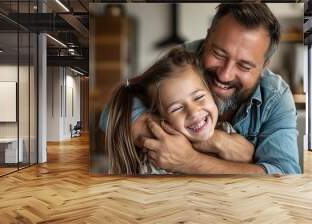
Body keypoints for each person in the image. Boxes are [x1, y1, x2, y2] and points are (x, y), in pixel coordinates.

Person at [101, 3, 301, 175]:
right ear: (207, 38)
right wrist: (217, 140)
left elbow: (285, 175)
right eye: (219, 54)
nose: (225, 75)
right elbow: (112, 112)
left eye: (244, 66)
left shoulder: (276, 96)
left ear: (264, 66)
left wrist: (191, 161)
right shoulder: (182, 62)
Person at [105, 48, 248, 174]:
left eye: (198, 97)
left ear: (211, 93)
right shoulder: (157, 159)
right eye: (177, 108)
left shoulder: (226, 129)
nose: (193, 111)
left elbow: (249, 155)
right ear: (163, 120)